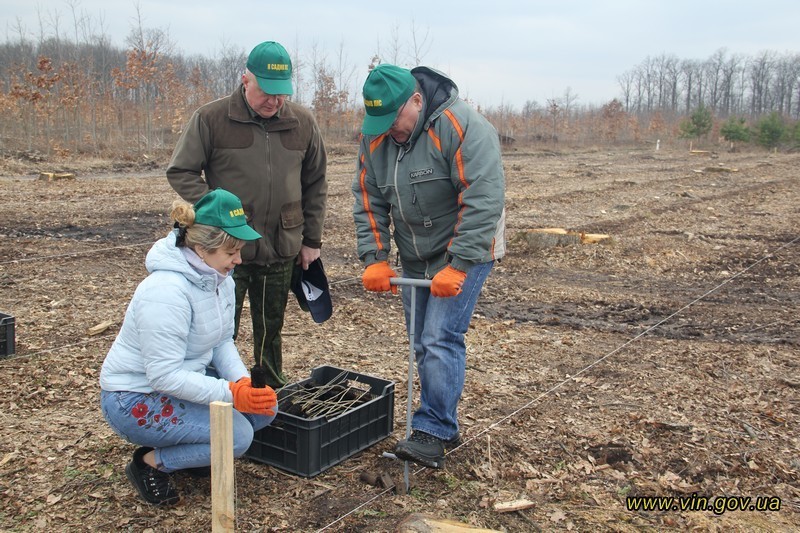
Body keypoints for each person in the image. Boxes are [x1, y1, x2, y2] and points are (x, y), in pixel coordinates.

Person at [352, 64, 506, 469]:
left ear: (417, 101)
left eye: (395, 121)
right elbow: (369, 199)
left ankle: (434, 430)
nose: (389, 131)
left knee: (440, 336)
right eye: (380, 123)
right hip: (415, 251)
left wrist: (458, 265)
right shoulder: (376, 136)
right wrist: (375, 257)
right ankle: (441, 423)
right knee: (421, 339)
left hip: (465, 247)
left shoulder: (461, 126)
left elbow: (482, 198)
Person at [100, 189, 278, 506]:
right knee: (238, 436)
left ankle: (194, 453)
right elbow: (163, 376)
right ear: (200, 248)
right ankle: (150, 463)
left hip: (180, 379)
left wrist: (240, 382)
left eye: (240, 250)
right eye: (231, 252)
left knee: (264, 408)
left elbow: (222, 339)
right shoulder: (166, 292)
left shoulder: (218, 277)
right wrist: (231, 393)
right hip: (134, 396)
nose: (238, 259)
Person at [167, 40, 328, 389]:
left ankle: (269, 385)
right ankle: (209, 386)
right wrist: (216, 210)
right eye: (266, 92)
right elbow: (181, 171)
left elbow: (315, 183)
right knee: (217, 328)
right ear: (245, 80)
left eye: (281, 94)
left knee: (271, 325)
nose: (273, 101)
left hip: (282, 243)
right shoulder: (212, 118)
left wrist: (311, 240)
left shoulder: (302, 122)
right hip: (225, 250)